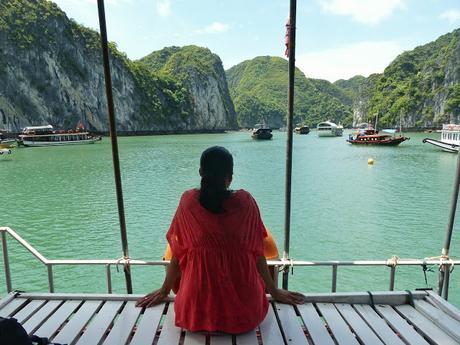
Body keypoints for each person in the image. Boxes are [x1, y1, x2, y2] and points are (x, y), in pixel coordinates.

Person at [136, 146, 304, 334]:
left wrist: (164, 290)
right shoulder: (245, 202)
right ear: (230, 177)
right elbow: (257, 253)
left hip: (195, 314)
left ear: (200, 172)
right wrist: (274, 291)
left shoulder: (188, 202)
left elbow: (178, 253)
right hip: (244, 315)